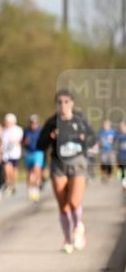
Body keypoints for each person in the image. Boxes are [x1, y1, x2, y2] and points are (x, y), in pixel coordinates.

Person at [37, 90, 97, 253]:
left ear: (72, 103)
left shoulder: (80, 120)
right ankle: (67, 240)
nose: (63, 105)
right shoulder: (52, 122)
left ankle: (78, 227)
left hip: (77, 163)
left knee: (74, 202)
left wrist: (86, 139)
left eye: (66, 102)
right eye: (59, 102)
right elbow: (39, 145)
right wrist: (50, 137)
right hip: (58, 165)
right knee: (63, 206)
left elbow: (94, 138)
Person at [23, 114, 46, 202]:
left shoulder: (41, 130)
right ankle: (30, 189)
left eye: (35, 123)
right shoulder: (26, 131)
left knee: (37, 170)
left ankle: (36, 189)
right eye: (32, 123)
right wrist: (25, 142)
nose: (33, 125)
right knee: (30, 173)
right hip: (29, 153)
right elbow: (23, 142)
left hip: (38, 152)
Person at [0, 113, 23, 196]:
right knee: (7, 169)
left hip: (15, 153)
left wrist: (15, 141)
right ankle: (8, 184)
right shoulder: (4, 130)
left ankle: (13, 184)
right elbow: (2, 141)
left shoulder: (18, 129)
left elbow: (19, 140)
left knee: (14, 170)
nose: (7, 123)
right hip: (6, 154)